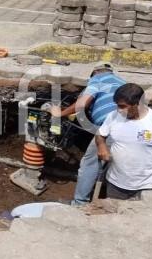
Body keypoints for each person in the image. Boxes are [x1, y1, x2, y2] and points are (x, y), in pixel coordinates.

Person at [50, 61, 126, 206]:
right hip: (131, 128)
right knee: (117, 163)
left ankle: (79, 204)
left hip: (111, 127)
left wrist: (61, 113)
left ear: (94, 73)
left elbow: (82, 103)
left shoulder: (97, 79)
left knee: (89, 164)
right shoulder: (122, 82)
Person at [95, 83, 152, 200]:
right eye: (117, 106)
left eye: (122, 106)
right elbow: (100, 135)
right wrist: (101, 146)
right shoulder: (113, 116)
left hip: (145, 187)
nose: (119, 110)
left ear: (137, 104)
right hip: (115, 184)